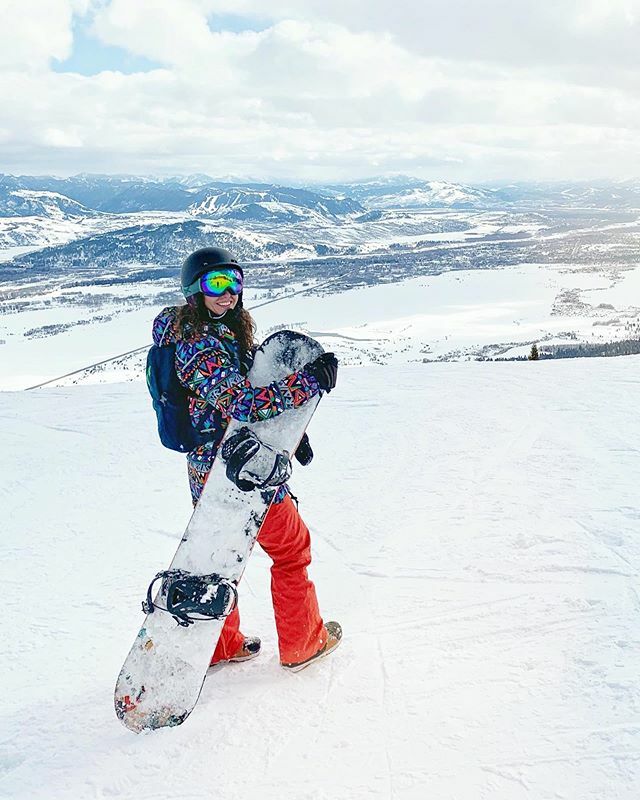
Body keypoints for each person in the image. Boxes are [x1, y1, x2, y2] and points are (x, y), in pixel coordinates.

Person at [151, 246, 342, 672]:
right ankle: (302, 642)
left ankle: (221, 645)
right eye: (216, 283)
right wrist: (307, 382)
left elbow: (236, 402)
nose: (228, 293)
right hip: (242, 474)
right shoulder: (198, 344)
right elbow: (242, 402)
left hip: (214, 472)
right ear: (194, 291)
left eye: (234, 282)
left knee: (218, 558)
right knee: (292, 551)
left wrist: (294, 436)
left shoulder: (221, 334)